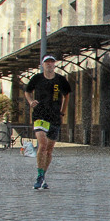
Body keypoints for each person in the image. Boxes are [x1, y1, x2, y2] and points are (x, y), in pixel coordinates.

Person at [24, 55, 72, 190]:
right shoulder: (37, 78)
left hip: (54, 117)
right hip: (39, 115)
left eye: (51, 62)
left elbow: (67, 95)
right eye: (47, 62)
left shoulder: (61, 79)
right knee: (43, 144)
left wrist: (62, 112)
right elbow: (27, 92)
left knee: (49, 150)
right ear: (43, 64)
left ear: (54, 64)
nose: (49, 64)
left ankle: (43, 175)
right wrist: (30, 101)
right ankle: (39, 176)